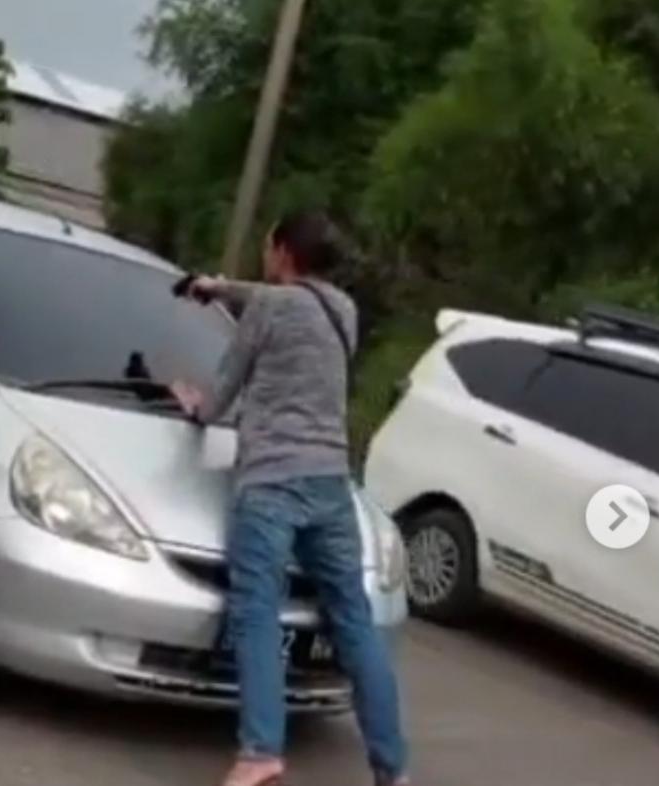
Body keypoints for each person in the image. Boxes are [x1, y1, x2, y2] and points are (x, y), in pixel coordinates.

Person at [171, 209, 411, 786]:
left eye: (267, 244)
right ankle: (393, 769)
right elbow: (284, 300)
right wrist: (220, 289)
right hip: (331, 484)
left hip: (272, 482)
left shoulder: (271, 311)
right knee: (354, 621)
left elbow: (222, 395)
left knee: (255, 611)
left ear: (281, 252)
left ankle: (261, 752)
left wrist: (192, 404)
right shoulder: (344, 311)